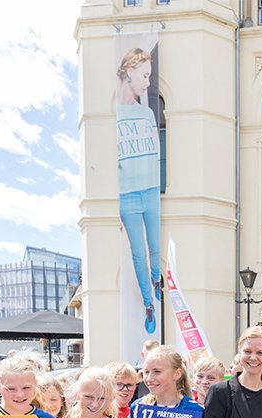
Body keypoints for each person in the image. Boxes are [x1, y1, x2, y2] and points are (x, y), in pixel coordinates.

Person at [116, 47, 162, 334]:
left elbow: (156, 154)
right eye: (144, 75)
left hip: (151, 190)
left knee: (154, 247)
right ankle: (148, 304)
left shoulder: (146, 114)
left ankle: (155, 282)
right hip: (127, 195)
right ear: (129, 72)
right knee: (137, 253)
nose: (147, 82)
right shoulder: (111, 116)